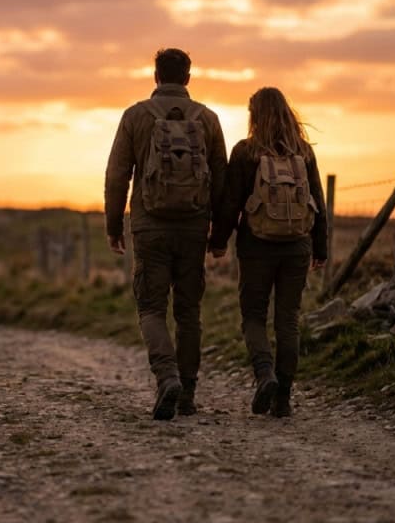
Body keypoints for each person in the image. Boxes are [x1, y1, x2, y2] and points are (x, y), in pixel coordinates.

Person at [104, 48, 229, 421]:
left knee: (151, 308)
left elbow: (116, 176)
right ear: (188, 77)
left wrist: (114, 226)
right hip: (193, 228)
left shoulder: (135, 116)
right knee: (189, 311)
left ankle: (167, 377)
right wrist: (219, 234)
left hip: (149, 227)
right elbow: (221, 180)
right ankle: (187, 393)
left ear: (155, 76)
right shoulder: (208, 119)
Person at [220, 87, 328, 417]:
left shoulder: (245, 152)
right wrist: (320, 247)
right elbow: (318, 203)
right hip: (297, 246)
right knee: (288, 321)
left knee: (253, 316)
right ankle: (283, 398)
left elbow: (230, 202)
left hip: (256, 246)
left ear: (255, 115)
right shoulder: (304, 152)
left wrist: (218, 239)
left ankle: (264, 374)